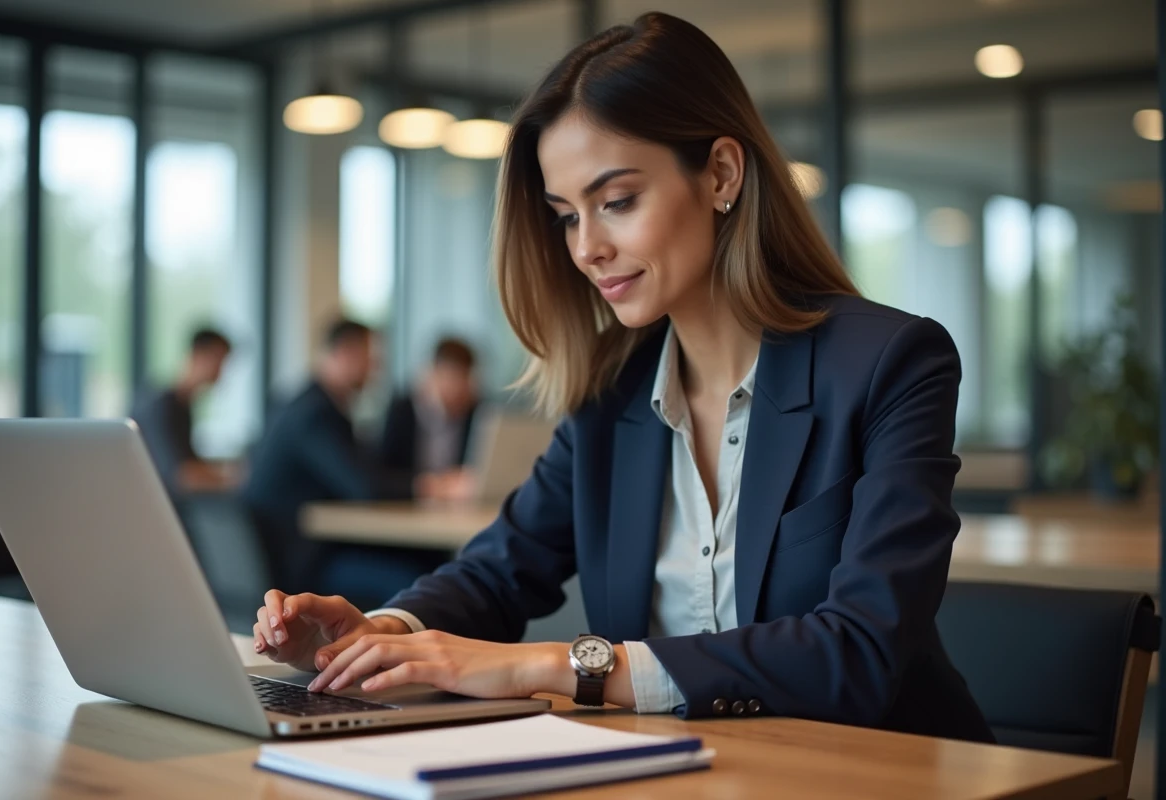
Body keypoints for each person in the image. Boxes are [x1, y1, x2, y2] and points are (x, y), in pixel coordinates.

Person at [248, 13, 994, 743]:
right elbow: (500, 571)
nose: (587, 248)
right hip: (688, 772)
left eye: (616, 202)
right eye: (567, 216)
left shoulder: (891, 363)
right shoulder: (612, 396)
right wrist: (380, 630)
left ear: (722, 175)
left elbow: (860, 651)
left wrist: (552, 667)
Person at [243, 319, 454, 608]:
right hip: (300, 566)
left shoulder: (303, 402)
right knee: (417, 577)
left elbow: (366, 470)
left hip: (295, 552)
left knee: (430, 561)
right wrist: (432, 486)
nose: (375, 370)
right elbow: (364, 485)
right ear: (346, 353)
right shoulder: (314, 414)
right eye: (371, 359)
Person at [131, 327, 238, 496]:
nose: (221, 371)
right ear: (197, 355)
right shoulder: (161, 407)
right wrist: (234, 478)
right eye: (219, 360)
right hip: (155, 504)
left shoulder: (183, 406)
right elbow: (182, 476)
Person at [381, 337, 480, 479]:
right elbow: (383, 471)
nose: (458, 388)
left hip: (458, 498)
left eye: (464, 378)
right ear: (434, 372)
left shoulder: (475, 413)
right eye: (452, 376)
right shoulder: (403, 410)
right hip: (409, 497)